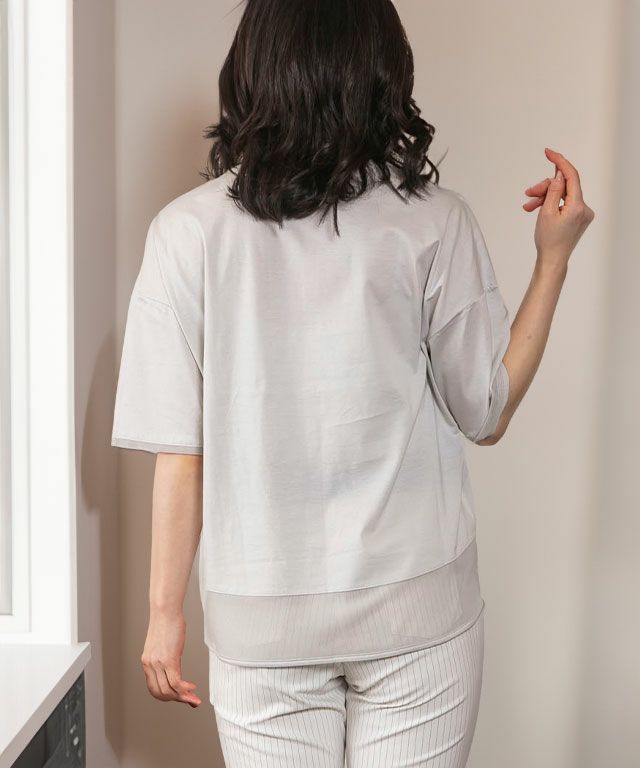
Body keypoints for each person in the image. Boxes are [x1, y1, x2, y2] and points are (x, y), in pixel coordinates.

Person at [110, 0, 595, 765]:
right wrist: (554, 258)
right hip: (417, 609)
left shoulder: (186, 231)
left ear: (253, 68)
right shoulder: (435, 221)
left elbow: (182, 449)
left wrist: (164, 614)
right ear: (382, 73)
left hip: (262, 623)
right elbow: (485, 411)